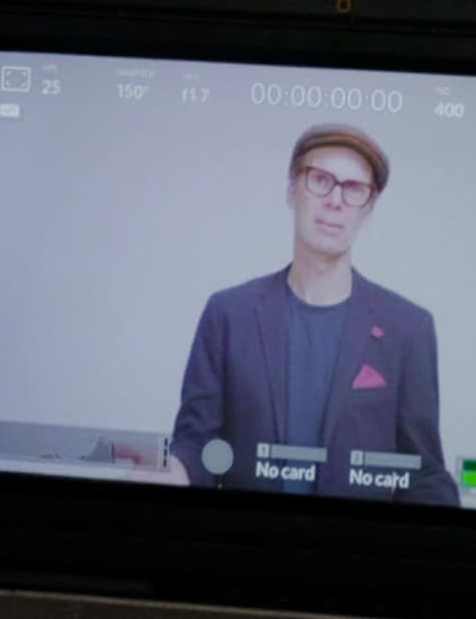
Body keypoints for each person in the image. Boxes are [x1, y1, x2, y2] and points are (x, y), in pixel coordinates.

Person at [171, 122, 455, 503]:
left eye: (353, 189)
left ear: (367, 209)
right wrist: (172, 474)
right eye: (320, 180)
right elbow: (197, 445)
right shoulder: (227, 314)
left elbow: (424, 473)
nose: (335, 200)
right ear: (292, 189)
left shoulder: (409, 328)